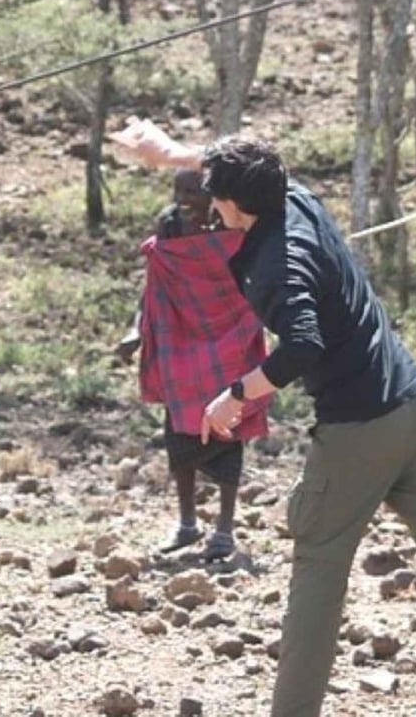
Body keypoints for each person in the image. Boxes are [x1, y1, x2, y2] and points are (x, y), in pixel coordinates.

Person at [110, 119, 416, 717]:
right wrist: (170, 154)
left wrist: (235, 395)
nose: (208, 205)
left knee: (317, 572)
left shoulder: (278, 263)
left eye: (212, 195)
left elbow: (302, 342)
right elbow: (241, 161)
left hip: (358, 430)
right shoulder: (290, 192)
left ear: (229, 203)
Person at [119, 170, 270, 561]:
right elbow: (155, 284)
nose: (184, 197)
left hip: (229, 335)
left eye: (193, 190)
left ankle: (224, 528)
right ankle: (187, 523)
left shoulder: (233, 221)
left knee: (228, 428)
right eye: (178, 189)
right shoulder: (169, 225)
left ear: (212, 193)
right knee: (179, 431)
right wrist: (136, 331)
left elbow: (249, 275)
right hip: (180, 337)